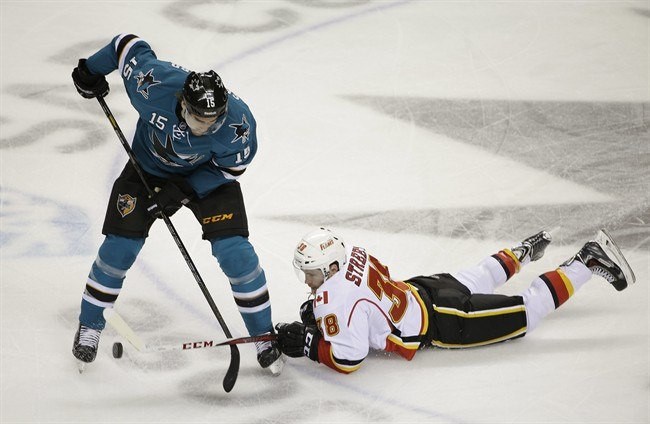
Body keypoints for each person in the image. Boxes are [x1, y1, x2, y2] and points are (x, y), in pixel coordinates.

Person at [70, 33, 284, 374]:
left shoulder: (237, 125)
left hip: (207, 177)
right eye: (199, 119)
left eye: (213, 120)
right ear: (183, 103)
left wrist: (182, 190)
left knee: (236, 253)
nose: (206, 127)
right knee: (119, 248)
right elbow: (125, 45)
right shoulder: (153, 85)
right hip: (147, 169)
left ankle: (262, 335)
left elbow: (230, 168)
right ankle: (90, 325)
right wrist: (91, 70)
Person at [275, 227, 635, 373]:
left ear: (332, 266)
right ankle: (520, 252)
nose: (308, 281)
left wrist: (312, 345)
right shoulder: (353, 251)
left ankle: (588, 260)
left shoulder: (334, 301)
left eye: (313, 273)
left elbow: (349, 358)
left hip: (446, 321)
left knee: (526, 312)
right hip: (425, 288)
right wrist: (323, 319)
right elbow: (375, 287)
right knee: (477, 275)